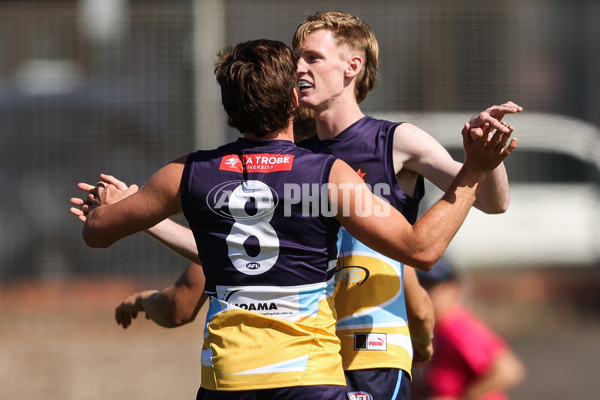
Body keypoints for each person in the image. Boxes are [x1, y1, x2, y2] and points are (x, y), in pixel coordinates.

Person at [73, 37, 515, 399]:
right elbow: (420, 249)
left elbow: (98, 233)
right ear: (292, 100)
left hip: (227, 381)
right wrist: (475, 169)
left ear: (228, 107)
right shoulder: (326, 175)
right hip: (308, 379)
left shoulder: (188, 174)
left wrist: (117, 206)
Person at [291, 10, 522, 399]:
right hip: (308, 347)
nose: (298, 67)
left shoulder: (395, 141)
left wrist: (487, 158)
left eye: (312, 57)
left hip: (375, 348)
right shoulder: (297, 155)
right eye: (297, 57)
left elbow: (491, 202)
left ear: (352, 66)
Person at [414, 258, 526, 400]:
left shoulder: (456, 328)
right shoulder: (438, 328)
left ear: (454, 289)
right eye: (422, 286)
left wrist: (465, 397)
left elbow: (508, 371)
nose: (427, 294)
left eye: (433, 287)